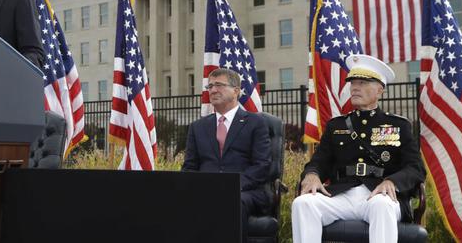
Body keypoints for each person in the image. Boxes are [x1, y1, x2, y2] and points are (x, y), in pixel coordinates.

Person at [291, 54, 426, 243]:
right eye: (353, 83)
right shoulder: (336, 125)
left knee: (381, 205)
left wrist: (392, 182)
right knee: (303, 203)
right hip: (342, 195)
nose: (355, 87)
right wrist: (312, 174)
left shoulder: (398, 125)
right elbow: (319, 161)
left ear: (380, 91)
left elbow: (416, 168)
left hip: (380, 196)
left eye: (363, 83)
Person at [182, 68, 272, 243]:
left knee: (230, 201)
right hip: (205, 190)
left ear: (236, 91)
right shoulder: (197, 127)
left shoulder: (256, 123)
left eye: (219, 85)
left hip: (245, 192)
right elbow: (190, 167)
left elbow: (262, 166)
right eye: (210, 86)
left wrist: (228, 187)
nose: (213, 90)